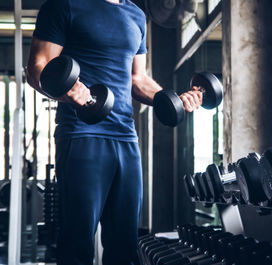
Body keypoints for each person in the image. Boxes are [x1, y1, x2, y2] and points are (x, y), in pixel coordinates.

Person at [26, 0, 202, 264]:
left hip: (126, 139)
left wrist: (173, 99)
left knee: (124, 244)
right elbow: (38, 66)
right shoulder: (64, 5)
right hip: (82, 133)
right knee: (77, 242)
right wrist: (67, 90)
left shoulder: (136, 15)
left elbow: (137, 79)